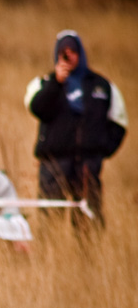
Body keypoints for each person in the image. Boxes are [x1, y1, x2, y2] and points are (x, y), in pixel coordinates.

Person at [25, 29, 127, 228]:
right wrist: (56, 82)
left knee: (88, 218)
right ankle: (51, 254)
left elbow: (119, 122)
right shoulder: (43, 83)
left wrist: (101, 150)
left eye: (72, 50)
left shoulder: (102, 86)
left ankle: (86, 257)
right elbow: (37, 109)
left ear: (80, 52)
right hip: (54, 163)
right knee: (50, 219)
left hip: (88, 165)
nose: (68, 55)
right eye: (63, 51)